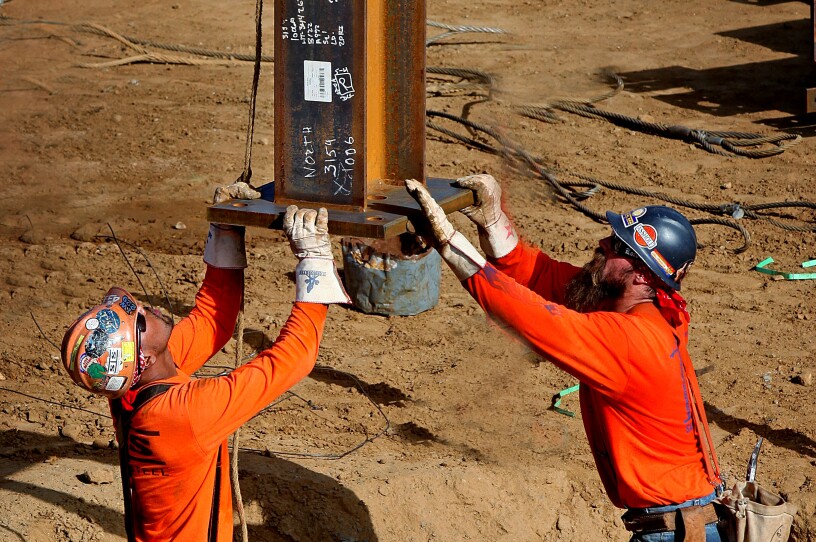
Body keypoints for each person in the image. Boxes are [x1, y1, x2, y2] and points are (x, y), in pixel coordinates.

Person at [405, 175, 725, 542]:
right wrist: (493, 222)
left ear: (641, 276)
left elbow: (534, 319)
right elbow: (541, 277)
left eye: (619, 247)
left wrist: (450, 244)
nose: (604, 244)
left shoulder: (632, 341)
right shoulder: (638, 308)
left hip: (674, 533)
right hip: (681, 522)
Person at [60, 205, 348, 541]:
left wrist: (225, 231)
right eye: (138, 319)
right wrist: (313, 261)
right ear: (144, 358)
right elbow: (293, 357)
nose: (144, 306)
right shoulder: (182, 415)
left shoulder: (134, 381)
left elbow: (213, 320)